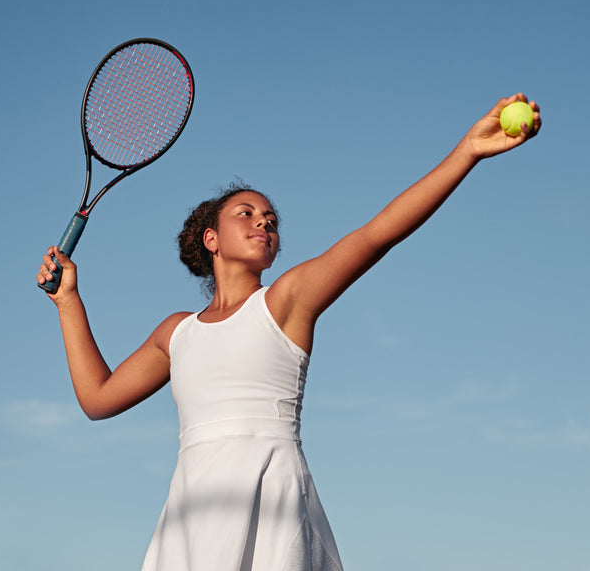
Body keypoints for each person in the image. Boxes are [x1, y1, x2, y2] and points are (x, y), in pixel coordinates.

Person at [37, 93, 541, 570]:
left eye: (271, 220)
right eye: (247, 213)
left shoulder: (286, 301)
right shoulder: (176, 333)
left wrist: (467, 152)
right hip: (193, 508)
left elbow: (378, 232)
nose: (264, 223)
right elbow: (97, 398)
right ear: (211, 238)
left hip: (273, 497)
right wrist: (68, 301)